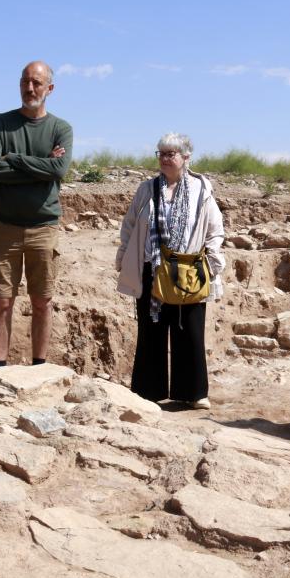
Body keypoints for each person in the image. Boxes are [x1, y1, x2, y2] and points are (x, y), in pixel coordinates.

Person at [116, 133, 225, 409]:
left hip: (188, 271)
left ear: (186, 158)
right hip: (151, 268)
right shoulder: (146, 189)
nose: (165, 159)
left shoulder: (202, 189)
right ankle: (147, 392)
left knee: (189, 328)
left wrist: (212, 262)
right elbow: (130, 226)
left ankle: (193, 392)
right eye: (161, 154)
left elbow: (215, 229)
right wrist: (123, 256)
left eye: (171, 154)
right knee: (151, 330)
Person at [0, 61, 72, 369]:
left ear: (50, 88)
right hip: (4, 226)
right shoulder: (0, 123)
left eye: (36, 82)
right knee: (2, 301)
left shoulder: (60, 129)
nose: (29, 88)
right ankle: (0, 369)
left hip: (43, 227)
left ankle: (39, 366)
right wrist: (39, 166)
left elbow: (59, 169)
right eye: (25, 82)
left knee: (42, 301)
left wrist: (15, 159)